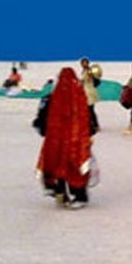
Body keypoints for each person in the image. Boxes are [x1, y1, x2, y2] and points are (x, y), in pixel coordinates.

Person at [35, 67, 96, 209]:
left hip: (59, 139)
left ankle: (61, 192)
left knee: (59, 164)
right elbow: (85, 115)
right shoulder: (77, 94)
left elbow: (48, 118)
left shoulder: (56, 95)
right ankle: (77, 195)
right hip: (74, 138)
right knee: (74, 166)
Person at [79, 57, 100, 133]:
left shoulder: (89, 70)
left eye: (85, 63)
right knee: (88, 109)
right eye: (82, 63)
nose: (84, 64)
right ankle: (92, 124)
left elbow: (94, 77)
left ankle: (95, 125)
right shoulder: (84, 71)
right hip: (86, 91)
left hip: (90, 91)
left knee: (90, 109)